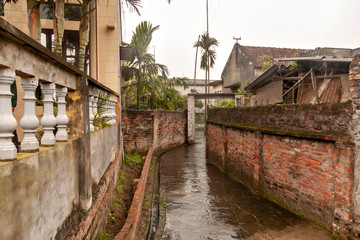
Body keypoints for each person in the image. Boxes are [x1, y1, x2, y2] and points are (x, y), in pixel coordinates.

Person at [11, 81, 20, 152]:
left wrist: (13, 105)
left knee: (10, 125)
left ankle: (15, 145)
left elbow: (14, 91)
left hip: (6, 104)